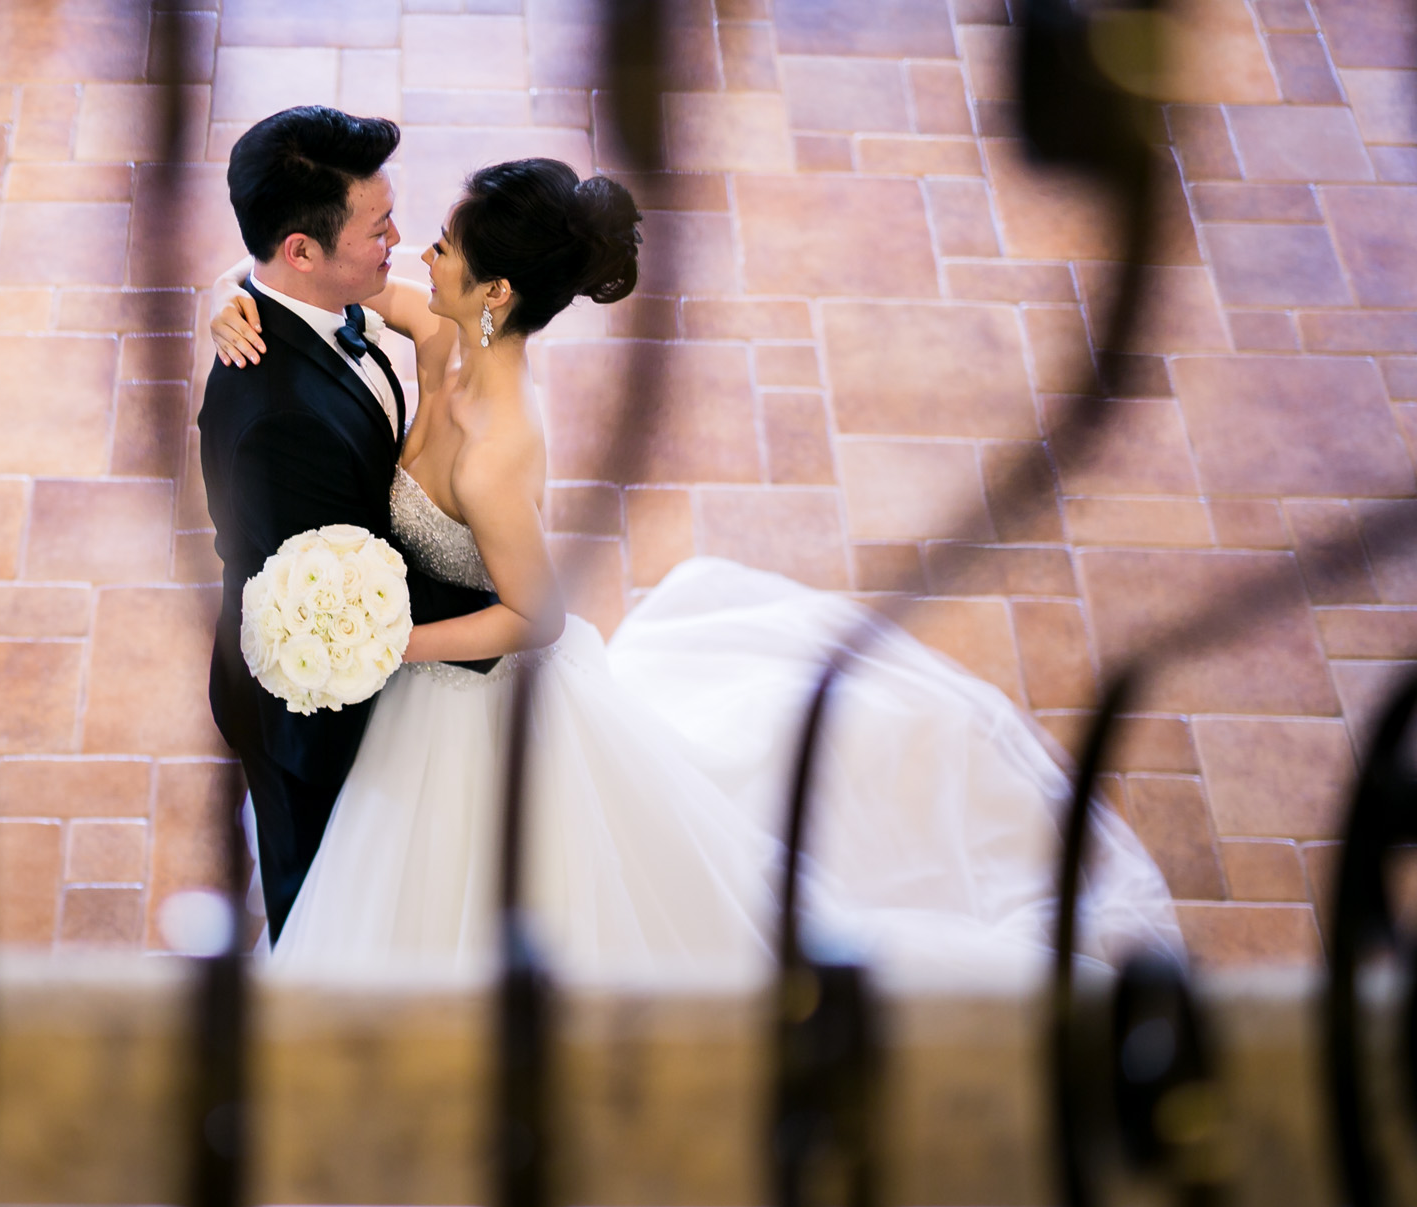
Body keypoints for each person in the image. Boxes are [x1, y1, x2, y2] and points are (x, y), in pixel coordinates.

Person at [209, 155, 1182, 980]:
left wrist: (394, 643)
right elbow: (332, 280)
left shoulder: (494, 443)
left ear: (495, 293)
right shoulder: (446, 342)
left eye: (448, 248)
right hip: (436, 693)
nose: (424, 251)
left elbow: (534, 618)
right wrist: (237, 295)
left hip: (479, 698)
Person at [200, 106, 503, 942]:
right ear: (300, 250)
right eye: (378, 227)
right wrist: (501, 619)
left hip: (377, 617)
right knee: (323, 896)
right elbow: (351, 604)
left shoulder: (316, 297)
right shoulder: (278, 426)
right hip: (309, 714)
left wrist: (224, 286)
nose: (399, 241)